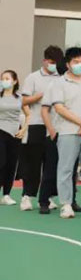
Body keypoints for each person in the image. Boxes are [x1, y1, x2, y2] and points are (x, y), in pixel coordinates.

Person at [46, 47, 81, 219]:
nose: (80, 64)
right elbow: (59, 108)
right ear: (68, 64)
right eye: (76, 62)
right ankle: (66, 204)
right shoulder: (59, 83)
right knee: (66, 168)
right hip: (67, 131)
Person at [19, 46, 64, 213]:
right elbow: (23, 101)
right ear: (44, 61)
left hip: (55, 125)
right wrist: (39, 96)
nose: (54, 65)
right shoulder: (33, 77)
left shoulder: (62, 77)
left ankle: (47, 196)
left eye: (56, 62)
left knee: (51, 162)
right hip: (36, 124)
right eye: (51, 62)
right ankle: (27, 196)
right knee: (33, 162)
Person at [0, 71, 24, 207]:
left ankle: (6, 195)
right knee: (1, 162)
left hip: (15, 133)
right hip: (1, 131)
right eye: (2, 78)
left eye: (7, 78)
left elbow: (28, 114)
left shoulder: (20, 97)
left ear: (14, 81)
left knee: (11, 164)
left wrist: (23, 129)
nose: (4, 81)